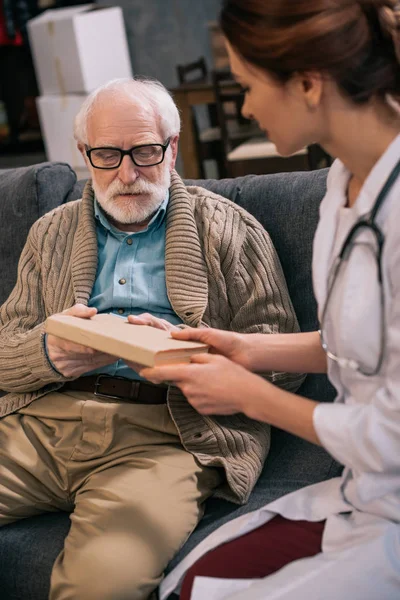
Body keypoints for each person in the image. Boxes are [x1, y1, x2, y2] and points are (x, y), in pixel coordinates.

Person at [0, 77, 303, 600]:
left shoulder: (231, 229)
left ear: (173, 148)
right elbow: (5, 349)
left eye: (144, 151)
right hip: (40, 424)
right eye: (107, 155)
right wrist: (49, 352)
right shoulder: (49, 232)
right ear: (83, 155)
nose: (127, 173)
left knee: (102, 584)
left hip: (168, 436)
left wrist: (190, 350)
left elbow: (286, 360)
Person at [140, 1, 400, 599]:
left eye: (248, 85)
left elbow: (390, 431)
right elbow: (356, 346)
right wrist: (242, 349)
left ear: (308, 84)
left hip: (385, 482)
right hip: (368, 490)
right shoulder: (343, 185)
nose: (246, 106)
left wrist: (250, 398)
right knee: (188, 581)